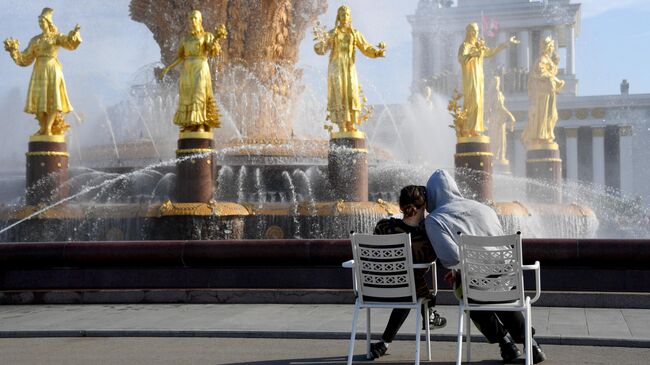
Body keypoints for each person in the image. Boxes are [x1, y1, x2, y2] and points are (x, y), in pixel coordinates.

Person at [424, 169, 547, 363]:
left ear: (431, 195)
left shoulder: (435, 219)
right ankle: (531, 343)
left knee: (465, 292)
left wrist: (460, 270)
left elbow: (449, 257)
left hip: (476, 284)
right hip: (509, 278)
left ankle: (504, 342)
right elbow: (499, 244)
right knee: (497, 293)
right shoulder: (484, 208)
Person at [368, 185, 447, 359]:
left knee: (408, 282)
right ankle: (429, 310)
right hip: (406, 291)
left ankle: (384, 343)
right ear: (423, 205)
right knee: (410, 284)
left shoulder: (383, 226)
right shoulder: (426, 235)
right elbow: (434, 260)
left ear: (400, 205)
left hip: (374, 290)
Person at [4, 7, 81, 136]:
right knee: (39, 101)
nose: (40, 24)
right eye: (39, 22)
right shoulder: (35, 40)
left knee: (53, 101)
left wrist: (74, 34)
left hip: (53, 69)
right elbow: (25, 59)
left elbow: (69, 44)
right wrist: (14, 51)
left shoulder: (56, 37)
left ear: (48, 22)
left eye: (42, 21)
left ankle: (48, 129)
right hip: (39, 71)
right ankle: (43, 127)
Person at [313, 5, 385, 133]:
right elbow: (321, 49)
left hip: (349, 67)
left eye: (347, 15)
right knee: (339, 94)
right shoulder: (333, 33)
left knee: (352, 94)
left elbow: (366, 47)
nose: (345, 17)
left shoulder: (355, 33)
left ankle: (351, 123)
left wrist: (377, 53)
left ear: (350, 17)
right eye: (342, 15)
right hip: (336, 66)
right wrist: (323, 41)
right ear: (338, 17)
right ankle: (342, 124)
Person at [160, 10, 226, 133]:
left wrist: (216, 38)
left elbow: (213, 51)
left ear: (200, 20)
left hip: (200, 67)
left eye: (195, 18)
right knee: (187, 96)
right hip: (187, 69)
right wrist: (168, 67)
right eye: (190, 19)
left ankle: (200, 124)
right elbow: (180, 56)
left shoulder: (206, 36)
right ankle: (190, 124)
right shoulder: (185, 39)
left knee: (199, 93)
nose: (193, 21)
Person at [457, 22, 517, 138]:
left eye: (477, 30)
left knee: (479, 103)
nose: (476, 33)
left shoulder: (478, 47)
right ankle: (468, 129)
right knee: (472, 102)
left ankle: (474, 129)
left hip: (479, 79)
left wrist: (506, 43)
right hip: (470, 79)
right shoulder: (465, 46)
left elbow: (491, 51)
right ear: (469, 32)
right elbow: (461, 59)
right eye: (473, 30)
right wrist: (472, 55)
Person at [521, 36, 564, 147]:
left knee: (552, 115)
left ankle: (547, 135)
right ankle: (541, 137)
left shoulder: (548, 60)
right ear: (548, 47)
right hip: (543, 94)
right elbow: (539, 74)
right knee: (545, 115)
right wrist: (552, 78)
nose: (553, 48)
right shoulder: (542, 60)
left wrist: (555, 67)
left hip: (550, 92)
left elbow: (550, 72)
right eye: (552, 46)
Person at [487, 76, 516, 162]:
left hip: (496, 118)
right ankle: (498, 156)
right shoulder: (496, 94)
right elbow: (500, 107)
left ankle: (498, 156)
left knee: (497, 138)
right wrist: (510, 115)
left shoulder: (493, 94)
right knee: (498, 139)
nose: (497, 84)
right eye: (496, 82)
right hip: (497, 118)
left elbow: (488, 109)